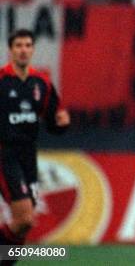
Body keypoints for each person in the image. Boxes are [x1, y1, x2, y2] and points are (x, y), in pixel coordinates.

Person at [0, 29, 70, 256]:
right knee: (24, 218)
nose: (23, 50)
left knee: (24, 227)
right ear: (10, 50)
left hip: (28, 156)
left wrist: (62, 123)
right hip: (5, 154)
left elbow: (53, 122)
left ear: (32, 50)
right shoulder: (2, 80)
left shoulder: (42, 84)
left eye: (28, 45)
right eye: (18, 45)